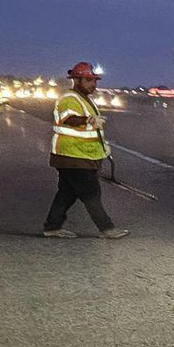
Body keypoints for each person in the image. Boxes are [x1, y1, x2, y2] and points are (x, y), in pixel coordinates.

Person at [41, 62, 127, 239]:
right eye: (89, 80)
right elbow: (69, 119)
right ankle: (107, 228)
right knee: (91, 193)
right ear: (77, 80)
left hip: (80, 155)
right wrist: (89, 121)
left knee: (67, 193)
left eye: (94, 80)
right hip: (73, 155)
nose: (93, 84)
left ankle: (52, 227)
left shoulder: (85, 99)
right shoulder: (69, 99)